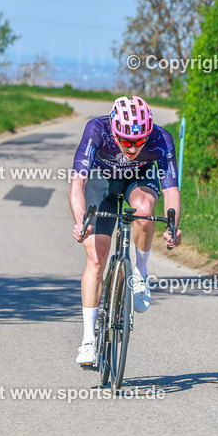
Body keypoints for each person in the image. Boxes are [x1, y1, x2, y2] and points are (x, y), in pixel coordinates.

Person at [69, 96, 182, 366]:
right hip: (102, 181)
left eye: (139, 141)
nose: (133, 148)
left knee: (144, 210)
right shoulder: (97, 130)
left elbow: (171, 191)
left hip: (139, 180)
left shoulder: (161, 139)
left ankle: (140, 273)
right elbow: (77, 183)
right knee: (96, 259)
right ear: (114, 129)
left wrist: (174, 227)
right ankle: (87, 341)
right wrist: (81, 221)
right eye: (127, 141)